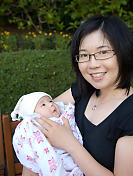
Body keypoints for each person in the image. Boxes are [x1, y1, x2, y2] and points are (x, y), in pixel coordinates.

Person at [23, 15, 133, 176]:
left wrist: (70, 144)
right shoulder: (81, 92)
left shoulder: (129, 114)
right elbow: (39, 122)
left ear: (124, 52)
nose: (93, 64)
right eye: (84, 55)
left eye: (103, 52)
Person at [11, 92, 83, 176]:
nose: (51, 105)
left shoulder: (65, 116)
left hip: (73, 156)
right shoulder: (34, 127)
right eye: (43, 105)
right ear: (34, 115)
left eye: (50, 101)